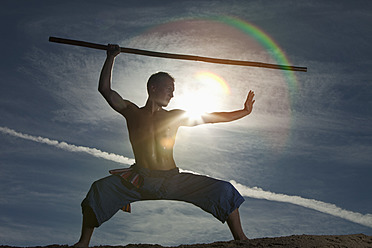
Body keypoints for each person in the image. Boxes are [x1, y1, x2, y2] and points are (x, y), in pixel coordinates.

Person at [74, 44, 255, 247]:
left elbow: (210, 118)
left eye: (173, 91)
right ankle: (83, 242)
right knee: (99, 189)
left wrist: (243, 111)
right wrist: (111, 57)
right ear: (153, 88)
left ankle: (241, 239)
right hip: (139, 180)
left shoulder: (174, 116)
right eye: (169, 89)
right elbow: (105, 90)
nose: (172, 95)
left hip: (172, 180)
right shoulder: (132, 112)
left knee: (223, 190)